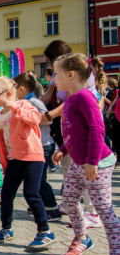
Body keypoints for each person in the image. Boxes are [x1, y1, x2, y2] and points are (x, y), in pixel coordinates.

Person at [51, 53, 120, 255]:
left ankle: (116, 252)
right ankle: (82, 238)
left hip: (96, 162)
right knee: (69, 201)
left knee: (103, 208)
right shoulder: (72, 98)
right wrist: (64, 148)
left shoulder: (85, 97)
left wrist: (92, 161)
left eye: (56, 74)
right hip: (80, 161)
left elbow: (97, 130)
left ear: (70, 75)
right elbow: (76, 131)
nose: (53, 79)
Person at [0, 77, 56, 249]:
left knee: (31, 194)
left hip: (31, 157)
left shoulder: (23, 105)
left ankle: (45, 231)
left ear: (8, 93)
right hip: (14, 159)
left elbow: (36, 119)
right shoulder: (0, 115)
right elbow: (2, 138)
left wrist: (14, 107)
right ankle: (6, 229)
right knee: (6, 196)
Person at [40, 40, 102, 227]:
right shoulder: (59, 74)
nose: (50, 68)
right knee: (70, 166)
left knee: (87, 173)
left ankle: (92, 212)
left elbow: (78, 103)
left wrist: (49, 114)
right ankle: (70, 204)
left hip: (78, 126)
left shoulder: (80, 82)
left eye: (49, 61)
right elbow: (49, 95)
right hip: (66, 125)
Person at [14, 73, 61, 221]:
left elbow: (47, 119)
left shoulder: (34, 102)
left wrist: (30, 118)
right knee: (33, 179)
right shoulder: (25, 102)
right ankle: (39, 204)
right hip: (36, 146)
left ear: (21, 89)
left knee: (40, 180)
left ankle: (53, 209)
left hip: (44, 145)